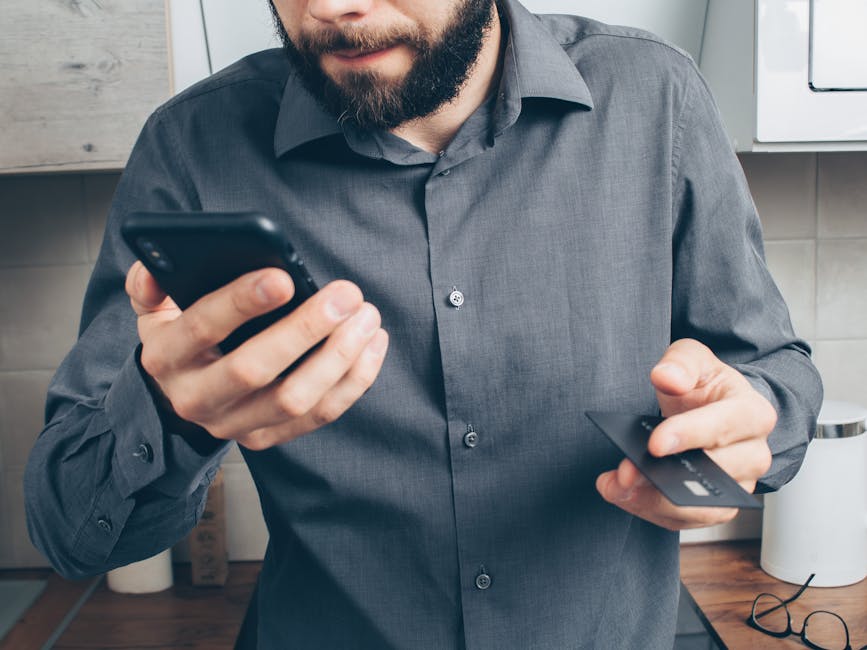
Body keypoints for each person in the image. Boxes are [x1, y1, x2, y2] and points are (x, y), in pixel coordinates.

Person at [25, 0, 822, 647]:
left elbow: (775, 372)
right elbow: (73, 535)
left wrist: (742, 427)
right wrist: (170, 416)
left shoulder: (656, 95)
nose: (334, 8)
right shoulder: (191, 145)